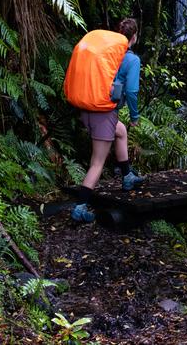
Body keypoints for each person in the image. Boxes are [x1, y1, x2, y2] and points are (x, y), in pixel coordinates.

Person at [71, 18, 146, 223]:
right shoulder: (131, 59)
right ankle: (80, 208)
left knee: (120, 132)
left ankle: (127, 176)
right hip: (102, 113)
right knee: (97, 163)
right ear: (134, 37)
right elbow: (131, 91)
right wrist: (134, 116)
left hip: (85, 108)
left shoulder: (106, 53)